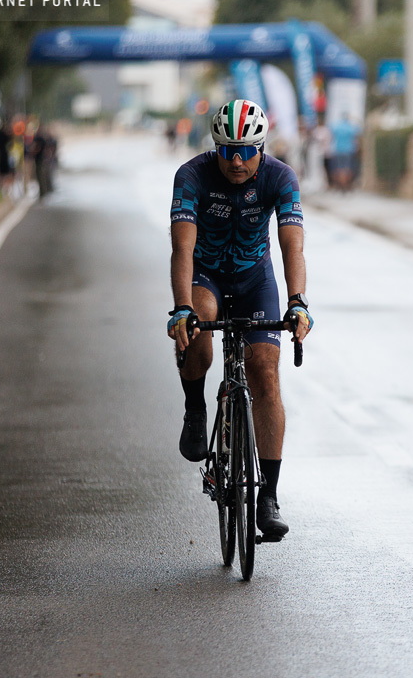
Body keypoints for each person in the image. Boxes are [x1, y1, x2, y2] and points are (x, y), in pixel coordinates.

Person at [167, 99, 313, 541]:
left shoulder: (281, 177)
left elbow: (292, 245)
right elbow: (182, 249)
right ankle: (196, 408)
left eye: (247, 151)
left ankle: (267, 497)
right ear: (216, 147)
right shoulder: (192, 176)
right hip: (206, 275)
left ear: (261, 147)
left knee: (265, 371)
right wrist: (182, 308)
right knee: (200, 323)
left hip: (254, 278)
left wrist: (298, 301)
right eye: (228, 151)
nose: (236, 161)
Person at [329, 113, 359, 192]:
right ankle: (346, 185)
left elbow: (332, 136)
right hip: (349, 150)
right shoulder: (351, 127)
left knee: (338, 168)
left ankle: (339, 185)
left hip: (338, 150)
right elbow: (356, 137)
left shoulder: (337, 127)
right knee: (348, 168)